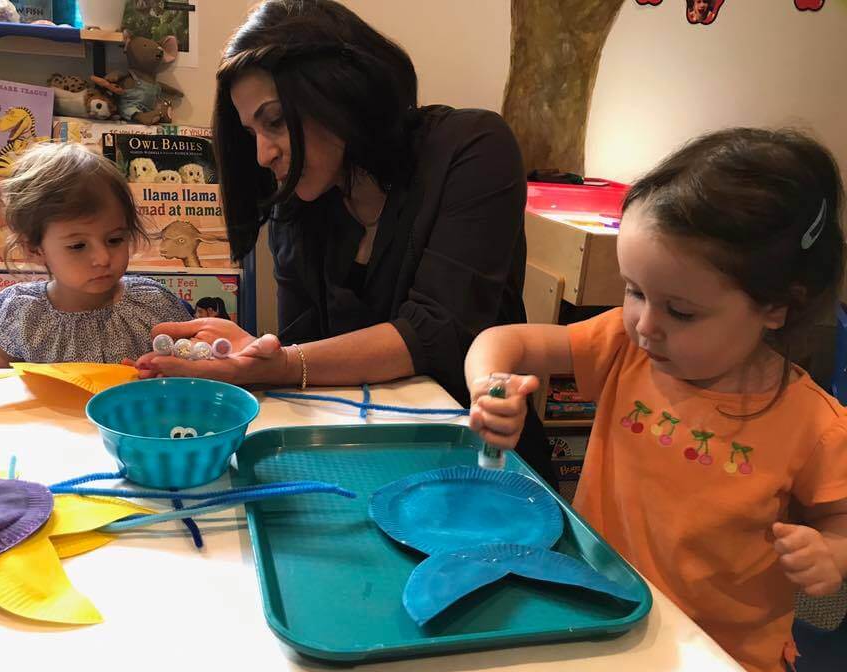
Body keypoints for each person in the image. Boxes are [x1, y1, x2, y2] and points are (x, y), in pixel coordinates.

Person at [464, 127, 847, 672]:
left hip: (723, 664)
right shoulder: (624, 349)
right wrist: (489, 384)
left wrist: (832, 555)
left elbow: (838, 520)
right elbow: (504, 340)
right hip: (603, 607)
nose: (645, 323)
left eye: (681, 311)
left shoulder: (814, 425)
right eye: (633, 290)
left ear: (774, 309)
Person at [135, 0, 553, 479]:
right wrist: (258, 352)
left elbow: (437, 333)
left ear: (339, 92)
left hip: (483, 461)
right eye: (251, 130)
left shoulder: (474, 148)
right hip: (362, 457)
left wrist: (275, 365)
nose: (261, 153)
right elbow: (306, 353)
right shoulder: (301, 201)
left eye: (274, 122)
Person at [0, 142, 191, 386]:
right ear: (34, 248)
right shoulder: (23, 310)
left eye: (115, 240)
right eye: (78, 246)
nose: (103, 258)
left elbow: (196, 375)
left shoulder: (153, 304)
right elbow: (4, 380)